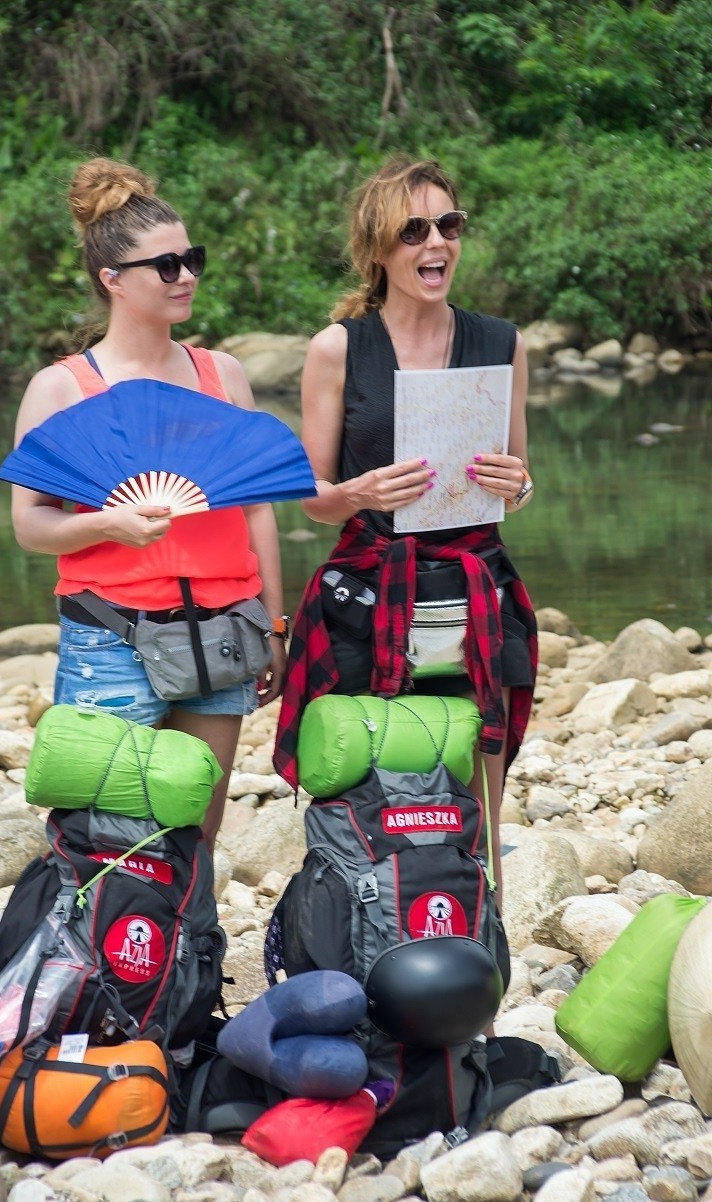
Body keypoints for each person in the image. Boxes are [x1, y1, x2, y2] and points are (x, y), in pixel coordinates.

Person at [274, 156, 537, 903]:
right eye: (414, 229)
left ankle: (482, 933)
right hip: (368, 589)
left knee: (482, 774)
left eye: (448, 225)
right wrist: (355, 492)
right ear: (378, 250)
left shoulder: (501, 342)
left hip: (473, 586)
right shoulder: (339, 347)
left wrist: (516, 483)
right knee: (370, 771)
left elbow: (518, 477)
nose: (437, 243)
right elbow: (311, 498)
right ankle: (371, 916)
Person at [11, 157, 287, 850]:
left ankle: (194, 958)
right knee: (112, 838)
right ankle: (107, 958)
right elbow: (30, 525)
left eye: (190, 259)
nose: (186, 275)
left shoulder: (221, 375)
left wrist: (275, 626)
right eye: (165, 266)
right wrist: (109, 523)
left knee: (197, 826)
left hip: (224, 632)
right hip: (111, 638)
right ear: (112, 279)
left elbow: (258, 513)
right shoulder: (63, 389)